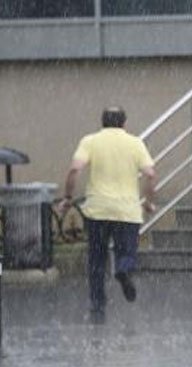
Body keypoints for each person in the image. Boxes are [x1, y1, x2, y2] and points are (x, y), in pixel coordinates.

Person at [59, 107, 157, 323]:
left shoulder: (90, 141)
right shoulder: (135, 143)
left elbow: (75, 169)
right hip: (127, 211)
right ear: (124, 123)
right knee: (127, 252)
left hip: (97, 210)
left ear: (102, 122)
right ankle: (123, 269)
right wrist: (149, 202)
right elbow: (150, 174)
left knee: (96, 259)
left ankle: (97, 304)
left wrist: (67, 197)